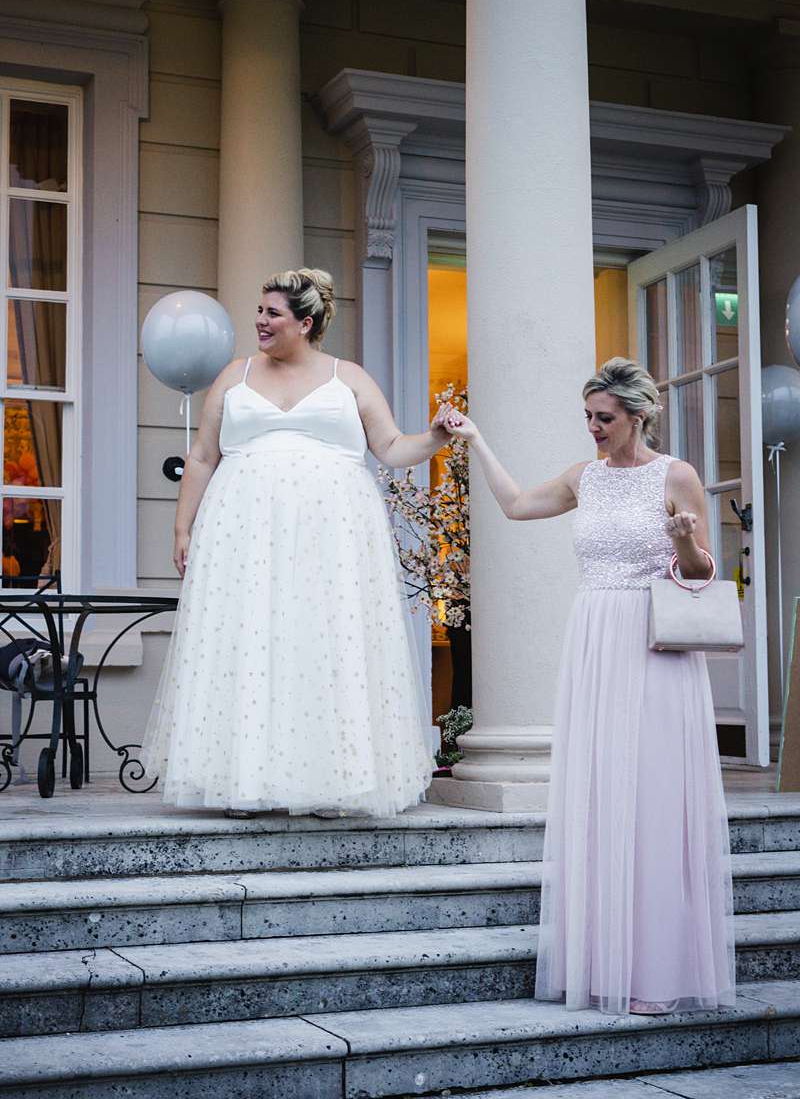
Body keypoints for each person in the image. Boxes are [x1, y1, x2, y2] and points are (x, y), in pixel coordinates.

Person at [445, 357, 735, 1016]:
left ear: (638, 416)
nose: (594, 429)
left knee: (653, 797)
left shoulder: (676, 476)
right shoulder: (585, 478)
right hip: (595, 639)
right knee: (605, 798)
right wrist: (477, 440)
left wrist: (683, 540)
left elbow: (701, 569)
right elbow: (517, 506)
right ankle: (611, 962)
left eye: (604, 418)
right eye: (588, 418)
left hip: (654, 641)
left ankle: (660, 974)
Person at [142, 268, 452, 817]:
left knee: (325, 643)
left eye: (272, 314)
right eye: (259, 311)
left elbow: (392, 446)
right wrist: (182, 526)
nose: (259, 321)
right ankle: (245, 778)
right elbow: (202, 457)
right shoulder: (234, 376)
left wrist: (434, 438)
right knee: (252, 641)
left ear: (305, 323)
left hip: (333, 535)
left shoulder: (348, 377)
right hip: (244, 531)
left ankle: (332, 780)